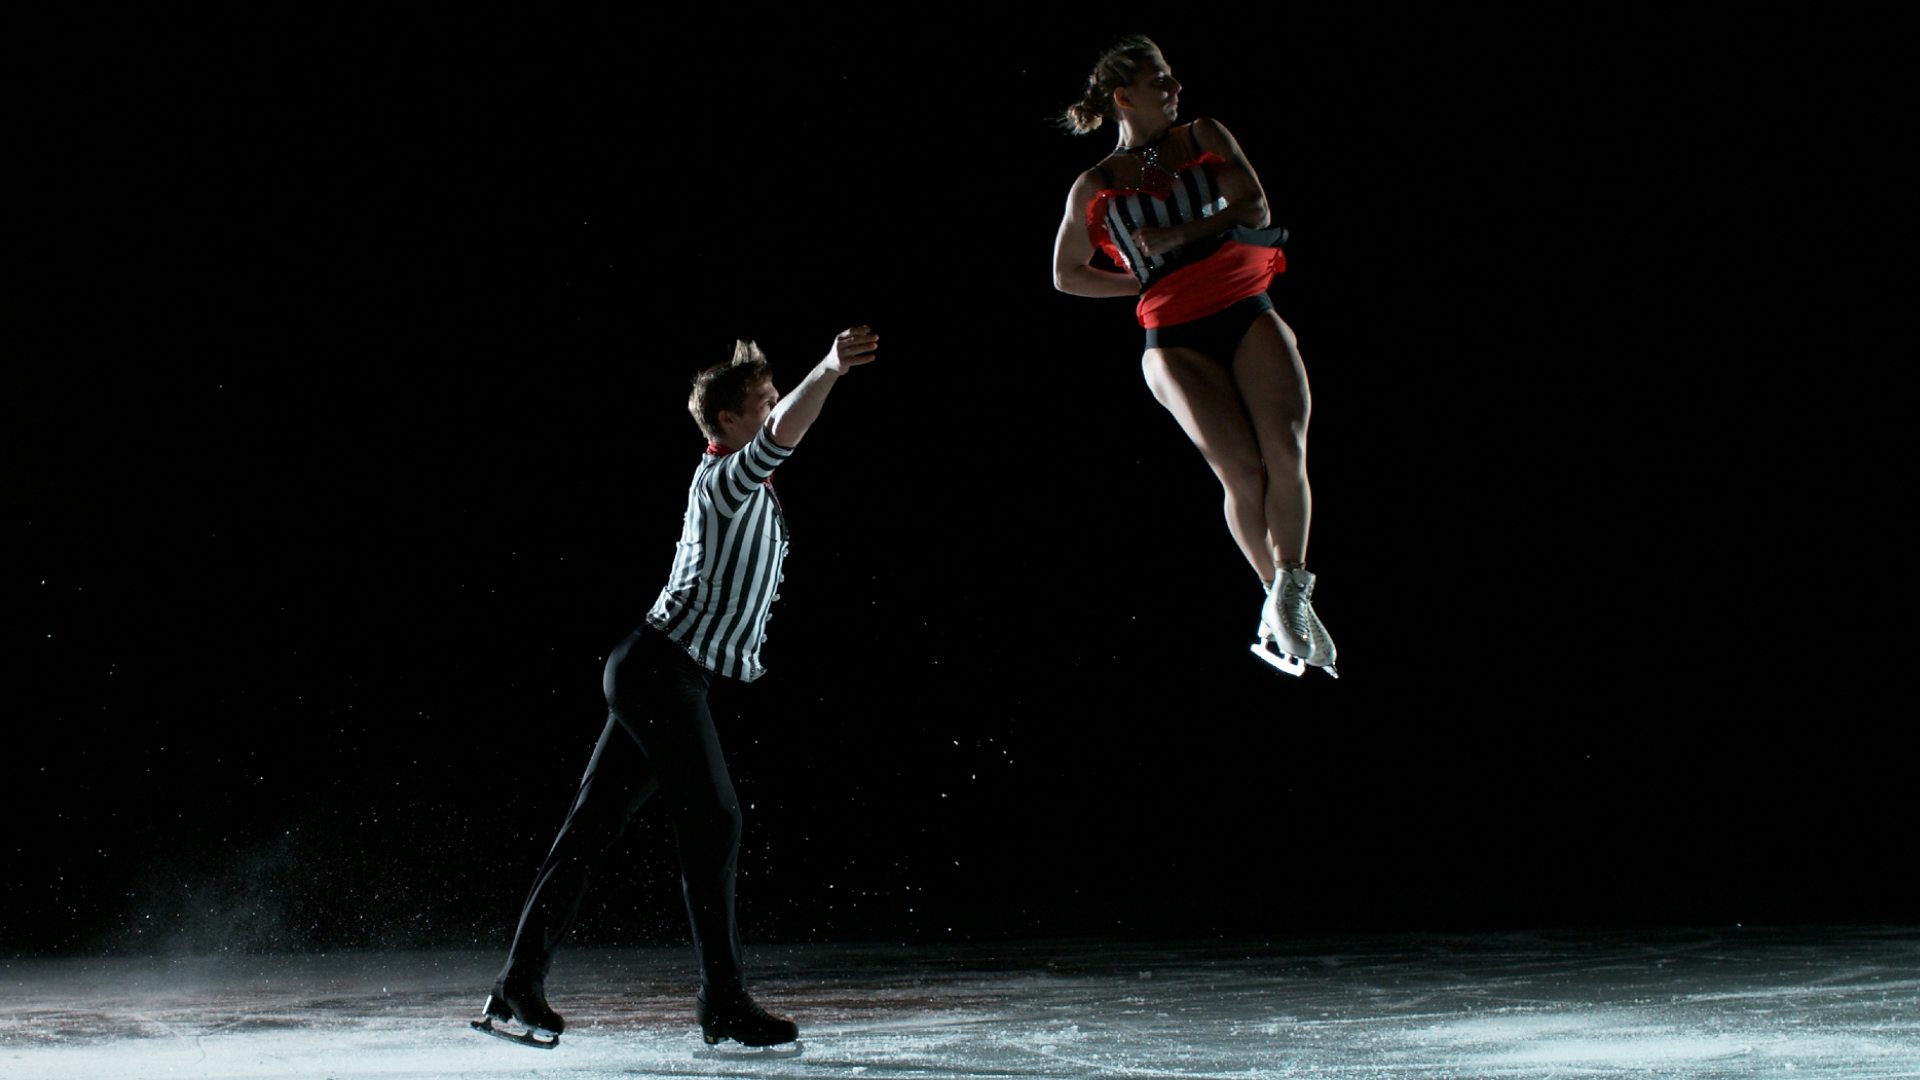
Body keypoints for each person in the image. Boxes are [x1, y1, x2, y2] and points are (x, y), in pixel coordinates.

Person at [472, 326, 881, 1050]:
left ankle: (516, 988)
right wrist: (829, 367)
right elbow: (786, 433)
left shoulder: (742, 484)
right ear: (727, 422)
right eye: (759, 402)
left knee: (591, 831)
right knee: (715, 820)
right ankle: (722, 1001)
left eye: (769, 397)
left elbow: (779, 433)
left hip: (656, 670)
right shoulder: (727, 477)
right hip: (661, 671)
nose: (772, 407)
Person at [1051, 34, 1337, 677]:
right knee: (1241, 471)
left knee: (1285, 446)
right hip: (1173, 334)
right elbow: (1066, 274)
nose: (1176, 88)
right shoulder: (1095, 183)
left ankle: (1292, 589)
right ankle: (1276, 598)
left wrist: (1178, 235)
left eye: (1172, 77)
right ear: (1126, 98)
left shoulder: (1203, 134)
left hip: (1243, 304)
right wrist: (1142, 281)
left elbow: (1254, 205)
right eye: (1161, 81)